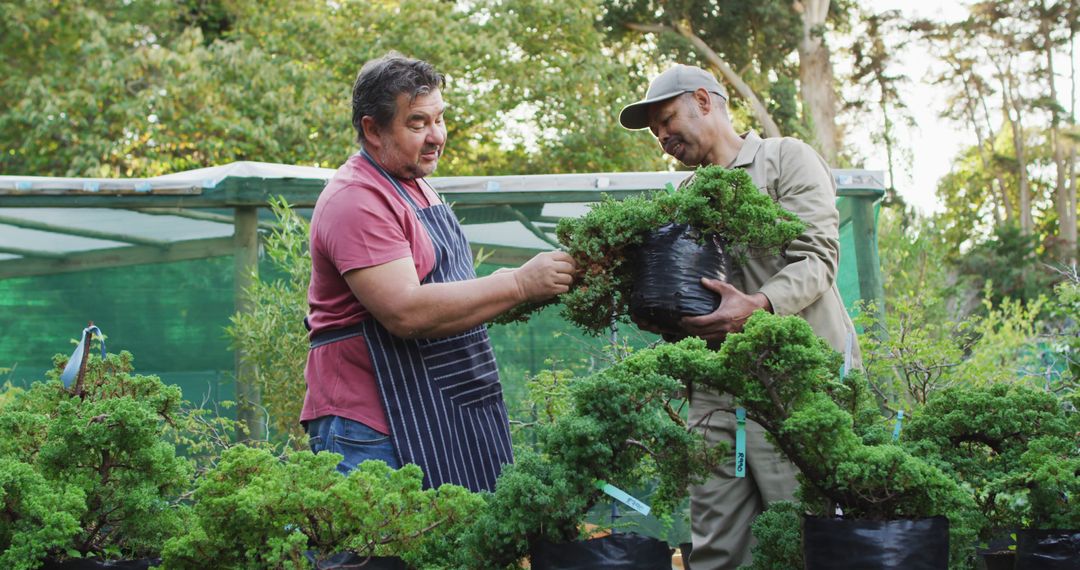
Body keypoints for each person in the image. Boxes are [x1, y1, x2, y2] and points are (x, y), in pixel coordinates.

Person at [619, 64, 862, 569]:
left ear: (705, 102)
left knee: (804, 538)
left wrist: (758, 306)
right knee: (717, 547)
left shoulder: (784, 158)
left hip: (793, 385)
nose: (662, 136)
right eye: (655, 131)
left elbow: (818, 257)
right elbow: (687, 296)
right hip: (715, 394)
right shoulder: (683, 199)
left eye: (666, 119)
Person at [302, 53, 576, 493]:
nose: (436, 137)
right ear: (372, 129)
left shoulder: (416, 183)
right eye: (417, 124)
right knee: (377, 559)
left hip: (443, 409)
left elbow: (453, 293)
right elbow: (405, 311)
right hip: (375, 426)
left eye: (440, 119)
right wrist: (520, 283)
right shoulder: (356, 199)